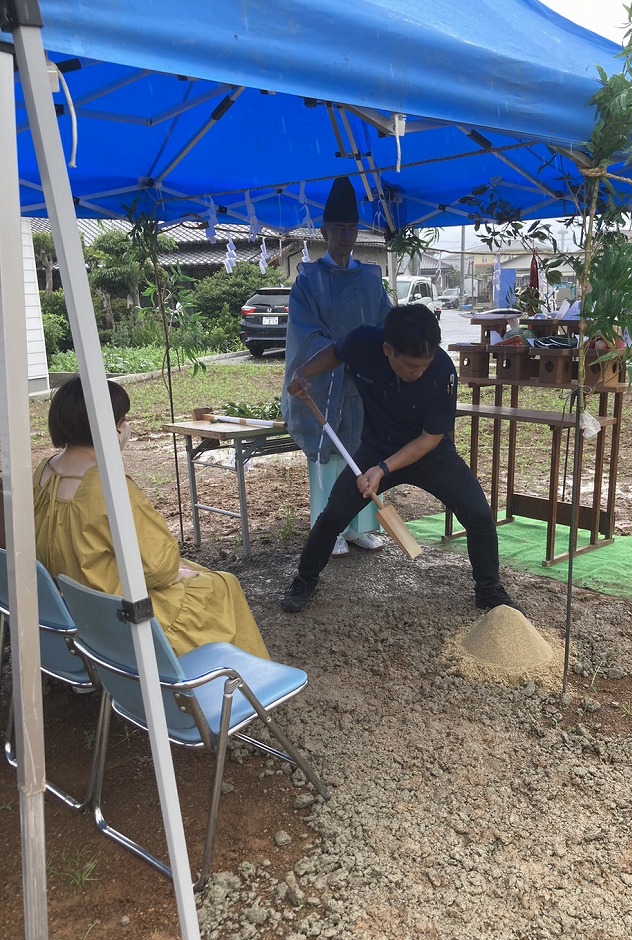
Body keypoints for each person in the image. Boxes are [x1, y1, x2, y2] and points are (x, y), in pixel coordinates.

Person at [280, 304, 524, 615]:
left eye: (425, 365)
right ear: (387, 350)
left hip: (429, 453)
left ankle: (489, 590)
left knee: (479, 515)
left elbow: (430, 438)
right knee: (333, 516)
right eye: (411, 366)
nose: (418, 372)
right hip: (376, 449)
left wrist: (383, 470)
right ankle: (304, 580)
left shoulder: (442, 372)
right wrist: (304, 373)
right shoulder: (363, 343)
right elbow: (336, 352)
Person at [33, 376, 270, 660]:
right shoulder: (106, 485)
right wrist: (175, 572)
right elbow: (159, 564)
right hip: (120, 609)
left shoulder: (43, 472)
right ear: (114, 427)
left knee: (193, 570)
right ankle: (235, 680)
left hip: (75, 599)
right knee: (222, 584)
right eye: (122, 418)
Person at [281, 175, 392, 558]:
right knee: (330, 455)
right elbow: (304, 332)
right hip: (327, 383)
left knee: (363, 450)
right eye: (338, 228)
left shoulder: (370, 279)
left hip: (362, 383)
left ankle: (362, 526)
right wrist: (338, 352)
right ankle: (330, 528)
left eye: (351, 228)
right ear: (325, 230)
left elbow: (385, 324)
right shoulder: (308, 281)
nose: (345, 235)